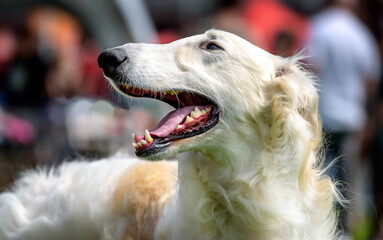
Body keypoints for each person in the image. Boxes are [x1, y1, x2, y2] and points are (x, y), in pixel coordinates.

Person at [305, 0, 381, 233]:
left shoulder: (319, 26)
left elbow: (310, 68)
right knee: (349, 182)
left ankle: (320, 228)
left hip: (323, 116)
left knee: (317, 177)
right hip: (351, 117)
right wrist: (368, 115)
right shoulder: (360, 32)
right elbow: (371, 79)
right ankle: (345, 231)